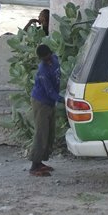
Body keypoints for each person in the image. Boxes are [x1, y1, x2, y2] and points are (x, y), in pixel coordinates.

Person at [29, 44, 64, 177]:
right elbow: (49, 91)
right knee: (41, 133)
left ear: (51, 54)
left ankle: (40, 162)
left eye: (48, 57)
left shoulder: (55, 59)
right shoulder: (43, 70)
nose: (47, 60)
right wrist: (64, 100)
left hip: (50, 103)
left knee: (49, 132)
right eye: (44, 59)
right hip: (41, 102)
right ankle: (34, 166)